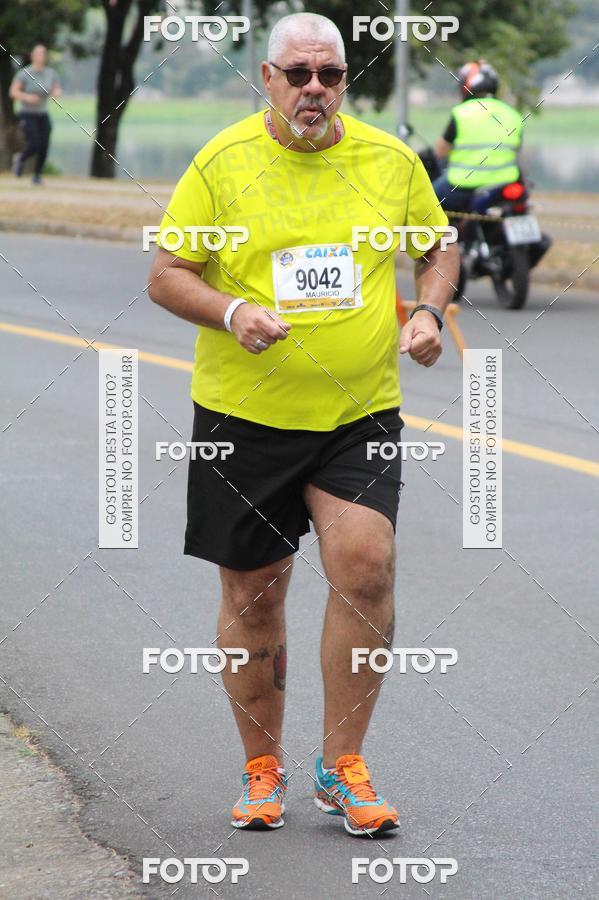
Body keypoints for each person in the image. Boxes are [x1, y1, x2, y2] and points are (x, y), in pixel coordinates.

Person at [149, 12, 458, 837]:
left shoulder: (390, 160)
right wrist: (232, 310)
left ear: (345, 81)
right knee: (255, 593)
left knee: (367, 567)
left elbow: (438, 247)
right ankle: (262, 768)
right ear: (268, 78)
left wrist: (428, 311)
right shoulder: (222, 161)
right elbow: (168, 273)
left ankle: (341, 766)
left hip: (358, 413)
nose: (314, 88)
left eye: (330, 74)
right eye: (299, 74)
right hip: (245, 417)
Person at [432, 61, 524, 211]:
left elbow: (440, 151)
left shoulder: (461, 113)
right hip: (506, 182)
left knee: (429, 199)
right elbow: (517, 150)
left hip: (463, 185)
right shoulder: (513, 114)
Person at [9, 45, 61, 184]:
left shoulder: (50, 73)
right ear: (32, 56)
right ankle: (21, 158)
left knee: (44, 144)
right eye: (37, 54)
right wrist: (27, 97)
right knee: (35, 143)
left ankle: (37, 175)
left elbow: (56, 88)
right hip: (27, 113)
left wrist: (56, 93)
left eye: (42, 54)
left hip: (42, 113)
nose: (40, 56)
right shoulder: (24, 73)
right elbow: (13, 92)